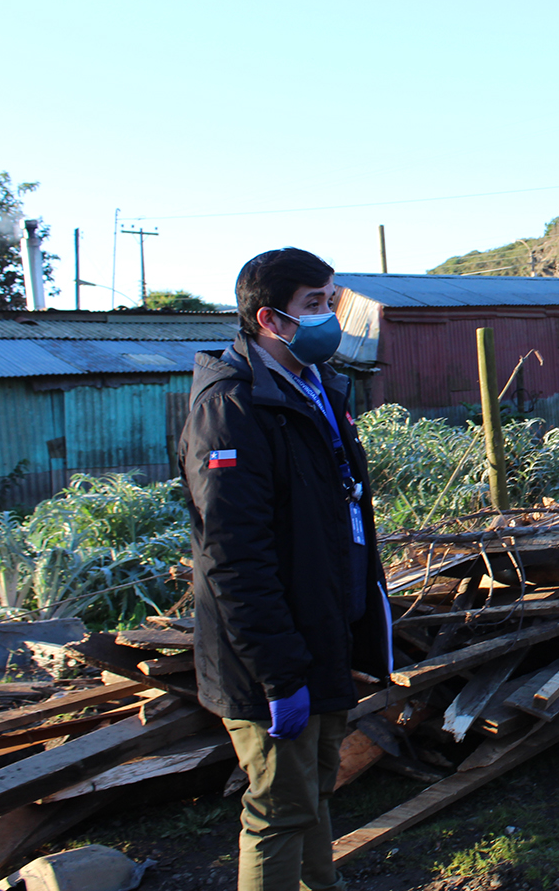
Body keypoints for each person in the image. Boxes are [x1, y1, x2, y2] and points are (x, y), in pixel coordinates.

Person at [180, 248, 392, 891]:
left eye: (333, 300)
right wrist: (279, 673)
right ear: (270, 319)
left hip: (321, 634)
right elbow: (234, 558)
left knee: (315, 791)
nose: (332, 317)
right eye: (315, 305)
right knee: (278, 810)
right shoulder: (232, 407)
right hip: (271, 654)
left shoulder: (317, 387)